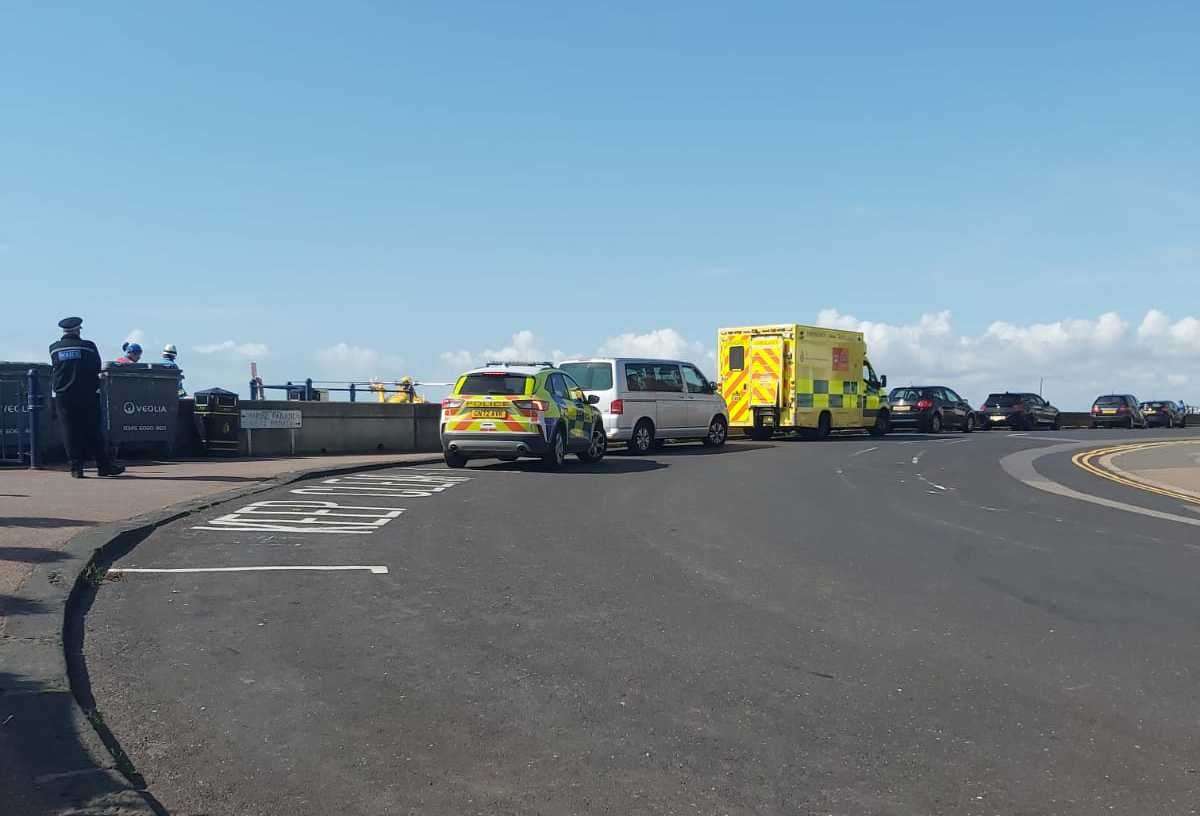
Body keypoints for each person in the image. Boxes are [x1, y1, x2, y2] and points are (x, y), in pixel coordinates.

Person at [49, 317, 125, 478]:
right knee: (94, 431)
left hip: (63, 396)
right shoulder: (88, 347)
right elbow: (96, 367)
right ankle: (103, 466)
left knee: (70, 432)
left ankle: (76, 468)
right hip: (87, 394)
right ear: (78, 330)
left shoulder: (54, 348)